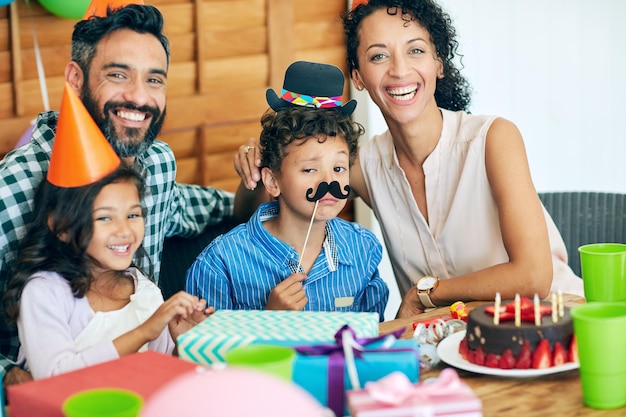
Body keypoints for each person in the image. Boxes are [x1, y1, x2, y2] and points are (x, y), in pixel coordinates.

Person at [234, 0, 584, 319]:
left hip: (559, 322)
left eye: (415, 50)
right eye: (378, 56)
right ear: (358, 77)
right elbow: (258, 214)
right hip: (455, 349)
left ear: (438, 64)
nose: (400, 71)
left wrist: (426, 293)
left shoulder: (493, 138)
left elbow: (534, 276)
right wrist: (260, 167)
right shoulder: (362, 164)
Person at [0, 2, 234, 385]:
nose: (140, 98)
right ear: (75, 78)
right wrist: (6, 374)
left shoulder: (156, 164)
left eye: (154, 80)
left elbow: (193, 205)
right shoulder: (13, 186)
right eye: (118, 74)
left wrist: (261, 189)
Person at [2, 84, 212, 380]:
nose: (124, 230)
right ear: (61, 226)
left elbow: (162, 373)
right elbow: (54, 375)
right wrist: (143, 332)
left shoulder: (143, 289)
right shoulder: (44, 292)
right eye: (105, 218)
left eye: (133, 214)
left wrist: (183, 344)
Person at [187, 61, 389, 319]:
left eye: (338, 169)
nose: (329, 182)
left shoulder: (364, 249)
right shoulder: (219, 265)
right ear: (272, 182)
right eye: (309, 170)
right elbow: (202, 352)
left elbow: (371, 341)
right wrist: (269, 318)